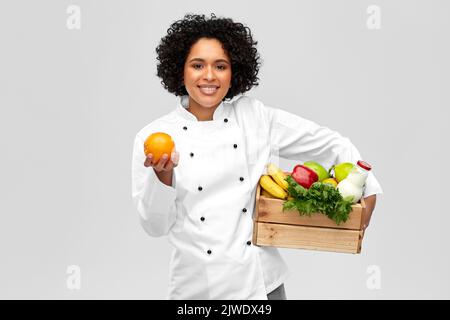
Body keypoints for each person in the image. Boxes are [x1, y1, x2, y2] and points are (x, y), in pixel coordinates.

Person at [131, 13, 383, 300]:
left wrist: (369, 186)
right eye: (197, 65)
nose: (209, 76)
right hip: (196, 289)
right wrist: (162, 177)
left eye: (221, 66)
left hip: (261, 286)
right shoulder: (153, 136)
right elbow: (154, 226)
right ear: (180, 70)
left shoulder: (255, 117)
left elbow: (330, 143)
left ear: (234, 73)